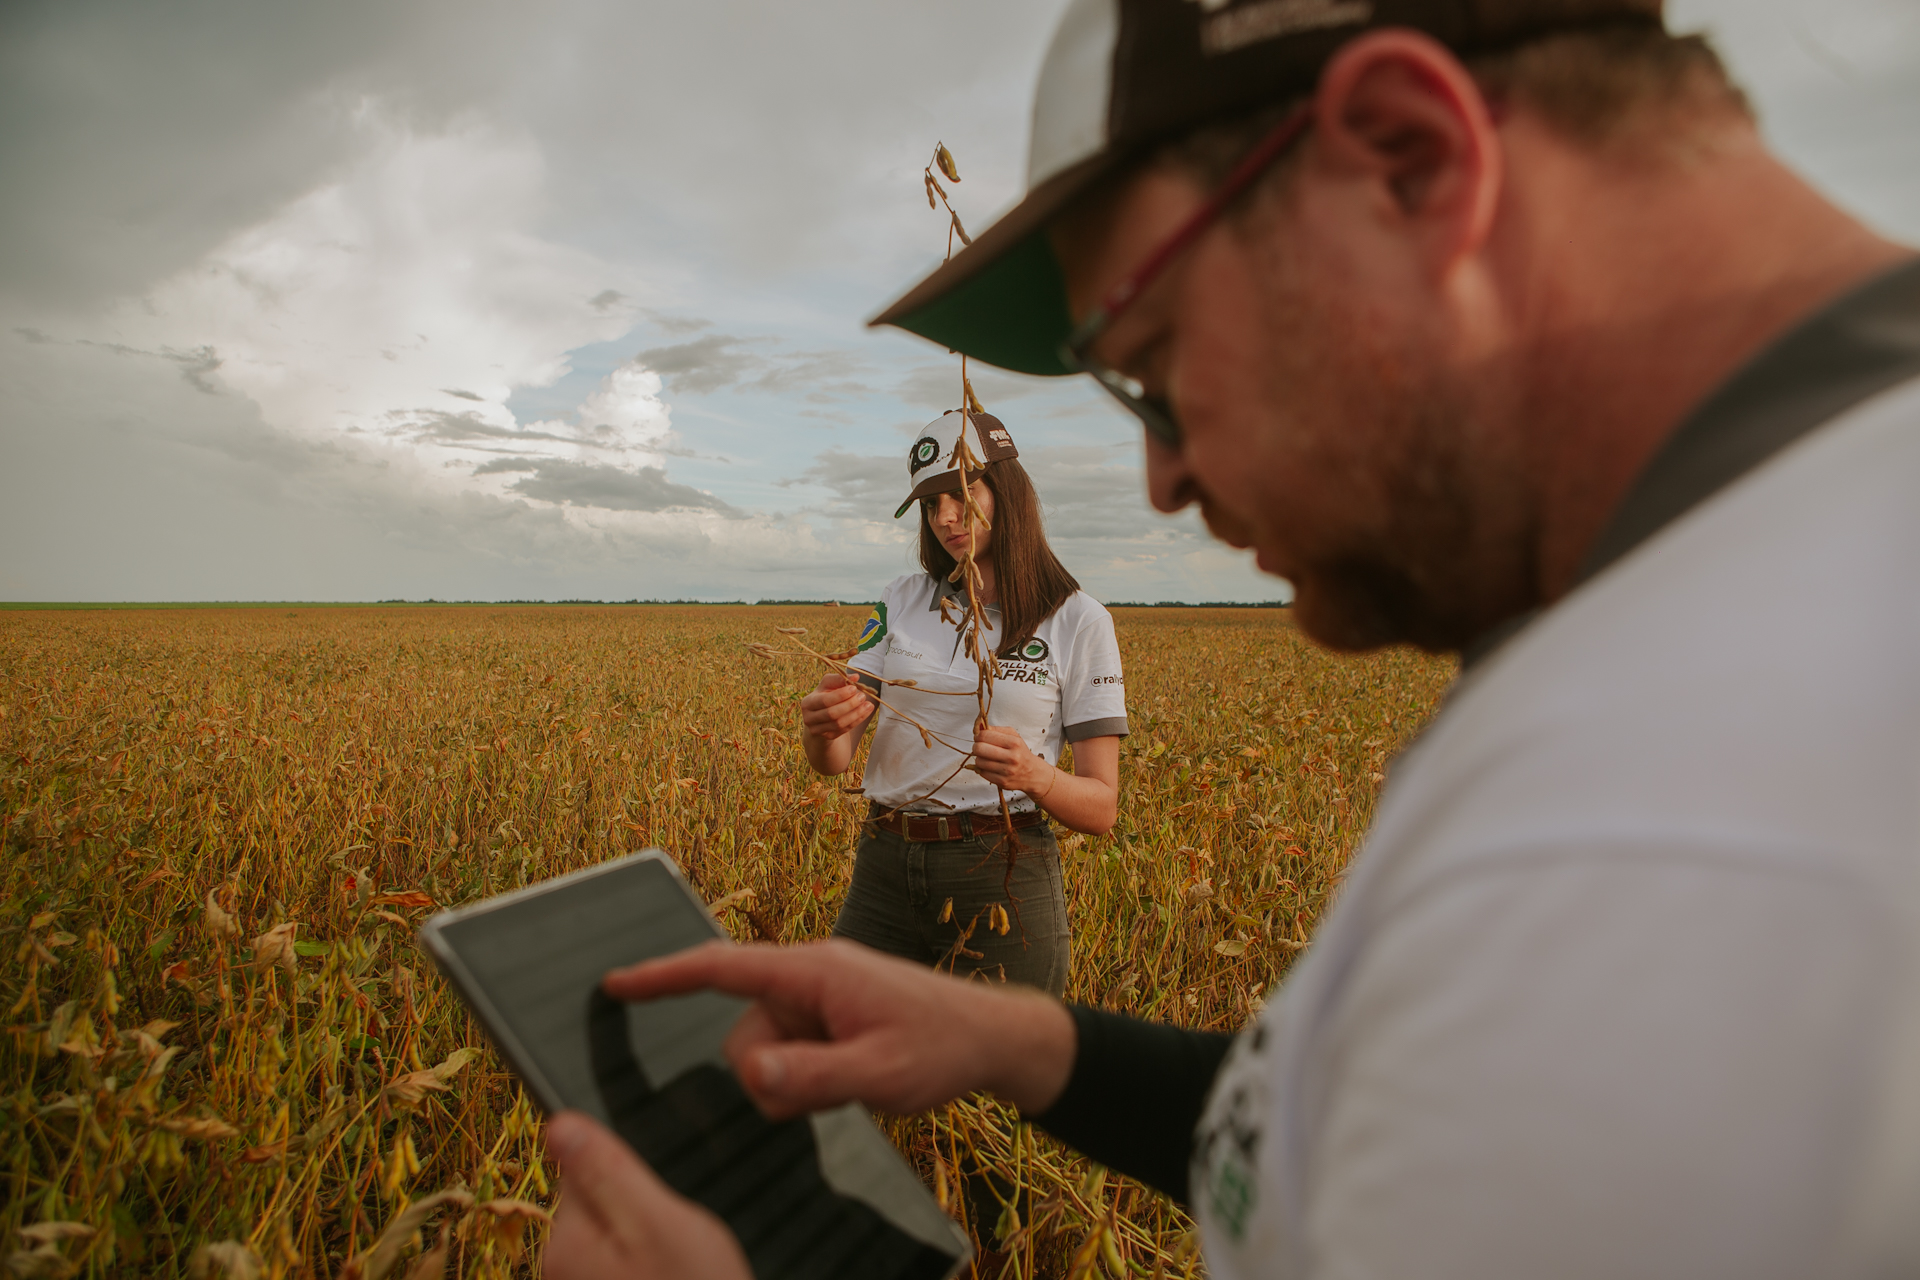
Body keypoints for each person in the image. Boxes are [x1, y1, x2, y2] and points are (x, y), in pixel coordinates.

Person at [545, 0, 1920, 1276]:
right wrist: (1034, 1047)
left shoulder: (1685, 826)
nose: (1164, 480)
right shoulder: (1713, 598)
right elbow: (1367, 1146)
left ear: (1410, 161)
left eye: (1158, 357)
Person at [797, 409, 1127, 996]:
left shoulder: (1080, 620)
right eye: (929, 505)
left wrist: (1035, 775)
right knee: (846, 1046)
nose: (945, 517)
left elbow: (1101, 808)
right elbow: (836, 758)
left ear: (1007, 492)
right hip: (885, 863)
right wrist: (821, 728)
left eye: (960, 493)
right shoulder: (901, 598)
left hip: (1002, 869)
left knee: (1000, 1078)